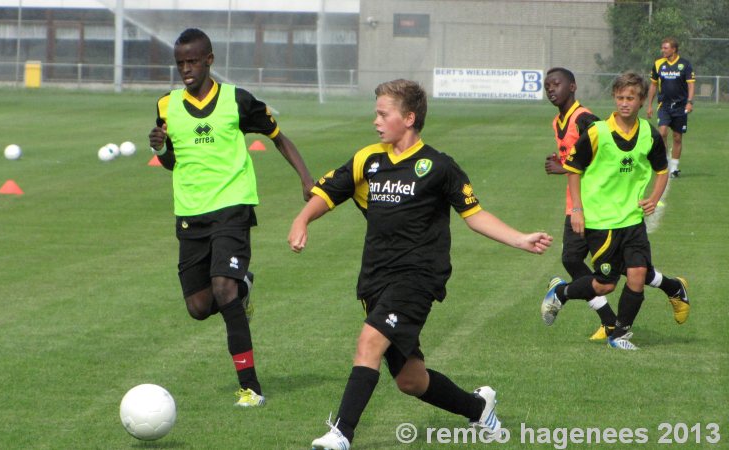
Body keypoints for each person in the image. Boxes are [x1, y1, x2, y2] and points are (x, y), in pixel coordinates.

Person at [288, 79, 553, 450]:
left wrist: (518, 238)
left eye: (384, 114)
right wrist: (302, 220)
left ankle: (340, 434)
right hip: (375, 279)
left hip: (417, 277)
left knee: (369, 342)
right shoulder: (369, 159)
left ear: (409, 118)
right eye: (376, 113)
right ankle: (479, 408)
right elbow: (328, 192)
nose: (376, 121)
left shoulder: (439, 167)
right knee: (411, 380)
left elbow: (474, 215)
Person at [148, 28, 313, 407]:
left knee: (223, 288)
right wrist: (159, 149)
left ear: (209, 60)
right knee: (200, 307)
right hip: (190, 214)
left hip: (233, 208)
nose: (186, 69)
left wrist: (306, 179)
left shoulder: (237, 100)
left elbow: (278, 136)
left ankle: (250, 389)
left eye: (192, 61)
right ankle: (244, 287)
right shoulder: (165, 106)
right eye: (180, 64)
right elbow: (173, 162)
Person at [542, 72, 689, 351]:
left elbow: (661, 170)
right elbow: (574, 168)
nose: (624, 103)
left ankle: (618, 333)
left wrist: (654, 199)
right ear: (614, 98)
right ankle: (562, 292)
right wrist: (577, 209)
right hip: (601, 220)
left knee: (636, 273)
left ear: (641, 100)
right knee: (605, 284)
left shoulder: (648, 133)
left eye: (630, 98)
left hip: (632, 219)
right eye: (620, 98)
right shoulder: (598, 132)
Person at [646, 37, 695, 178]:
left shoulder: (684, 64)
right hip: (664, 106)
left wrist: (690, 102)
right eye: (662, 47)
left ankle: (674, 167)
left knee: (677, 137)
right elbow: (653, 85)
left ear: (673, 49)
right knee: (661, 133)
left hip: (680, 107)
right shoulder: (658, 64)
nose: (663, 50)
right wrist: (649, 105)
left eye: (666, 48)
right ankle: (665, 163)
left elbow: (691, 84)